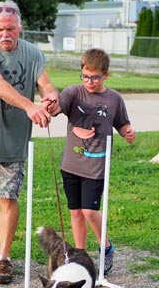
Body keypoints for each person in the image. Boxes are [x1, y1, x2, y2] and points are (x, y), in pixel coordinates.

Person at [0, 0, 59, 284]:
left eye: (10, 29)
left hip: (15, 142)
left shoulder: (32, 53)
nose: (5, 34)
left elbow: (46, 84)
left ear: (20, 27)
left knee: (9, 197)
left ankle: (4, 258)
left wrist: (51, 99)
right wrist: (30, 106)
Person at [49, 48, 136, 274]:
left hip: (96, 166)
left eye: (95, 77)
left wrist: (127, 131)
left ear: (105, 75)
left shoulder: (114, 99)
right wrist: (50, 105)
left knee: (89, 211)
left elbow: (121, 123)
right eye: (85, 76)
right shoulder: (74, 93)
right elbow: (59, 105)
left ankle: (105, 246)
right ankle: (80, 258)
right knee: (76, 212)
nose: (89, 81)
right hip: (71, 164)